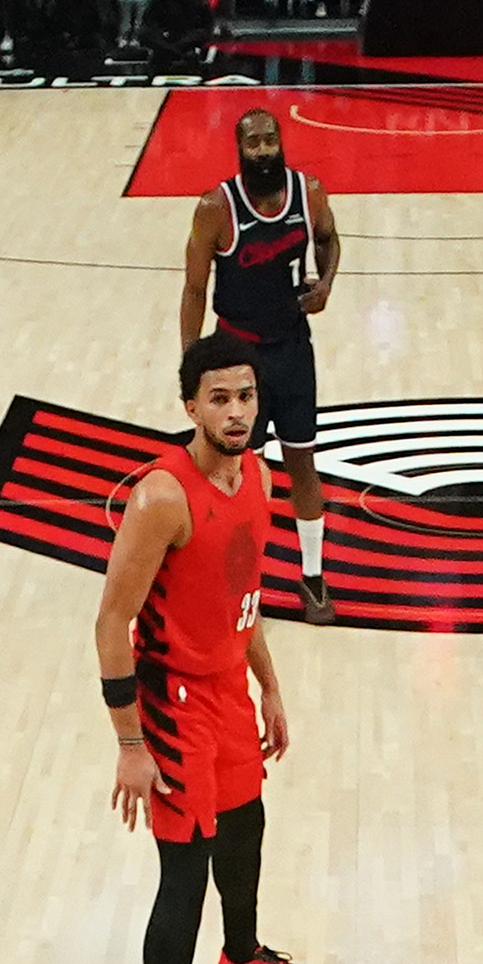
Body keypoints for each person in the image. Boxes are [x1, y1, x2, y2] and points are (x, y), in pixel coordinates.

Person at [96, 338, 320, 964]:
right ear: (189, 405)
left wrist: (268, 681)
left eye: (246, 397)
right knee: (183, 876)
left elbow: (242, 592)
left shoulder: (256, 477)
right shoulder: (163, 497)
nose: (236, 412)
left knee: (248, 823)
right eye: (219, 398)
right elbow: (111, 622)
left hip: (227, 685)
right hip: (174, 702)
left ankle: (243, 955)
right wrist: (131, 744)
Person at [176, 103, 336, 620]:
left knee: (302, 463)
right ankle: (235, 578)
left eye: (271, 140)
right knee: (236, 471)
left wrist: (326, 282)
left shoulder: (307, 192)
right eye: (254, 143)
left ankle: (312, 577)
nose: (264, 150)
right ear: (240, 149)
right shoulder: (215, 207)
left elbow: (330, 241)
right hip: (237, 357)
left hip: (291, 348)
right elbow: (195, 287)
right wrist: (192, 366)